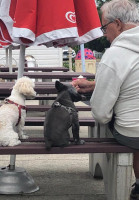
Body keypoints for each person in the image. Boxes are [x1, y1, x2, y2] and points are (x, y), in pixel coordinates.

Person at [72, 0, 139, 199]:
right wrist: (96, 85)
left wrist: (99, 90)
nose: (104, 34)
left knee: (125, 124)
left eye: (104, 27)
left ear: (117, 24)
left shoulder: (114, 55)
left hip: (132, 133)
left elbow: (100, 114)